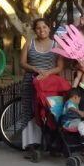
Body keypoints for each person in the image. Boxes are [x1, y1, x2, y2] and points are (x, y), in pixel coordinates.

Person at [19, 18, 64, 152]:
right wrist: (34, 69)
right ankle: (30, 144)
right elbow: (22, 63)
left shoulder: (56, 45)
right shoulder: (28, 44)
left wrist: (47, 73)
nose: (42, 30)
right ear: (35, 30)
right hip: (30, 81)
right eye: (38, 28)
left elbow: (60, 66)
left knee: (50, 112)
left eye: (44, 27)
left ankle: (51, 143)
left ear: (49, 28)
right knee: (30, 111)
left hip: (49, 83)